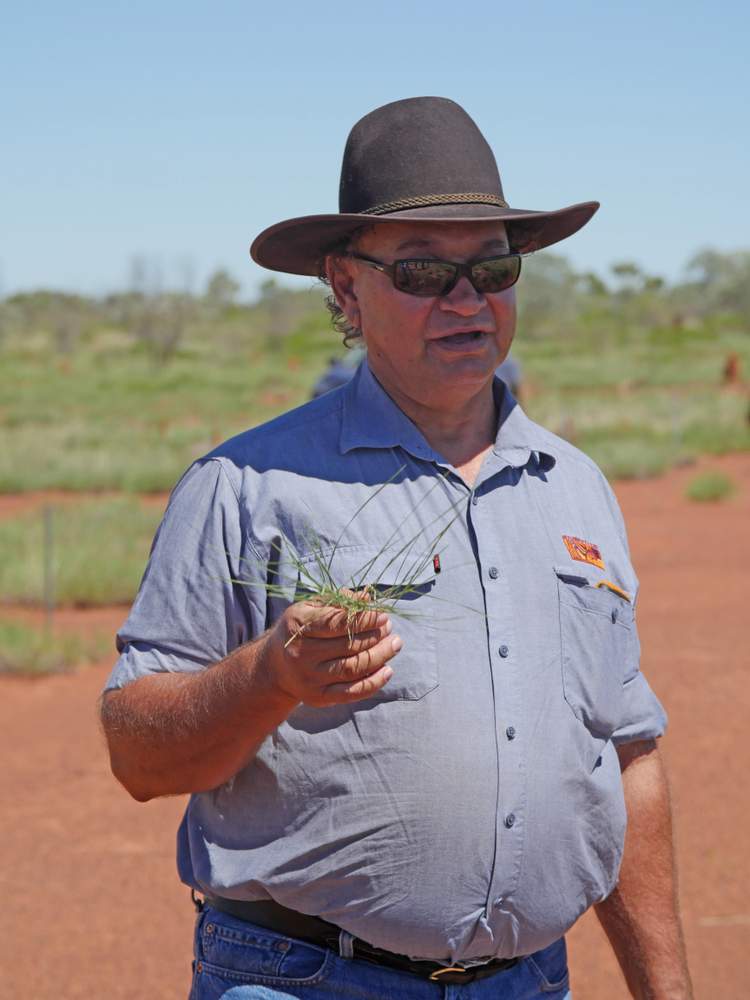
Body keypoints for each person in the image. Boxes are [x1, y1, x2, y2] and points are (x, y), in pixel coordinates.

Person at [100, 97, 693, 999]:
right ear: (344, 285)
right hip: (303, 979)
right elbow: (137, 756)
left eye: (492, 267)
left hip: (528, 982)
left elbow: (627, 759)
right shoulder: (244, 485)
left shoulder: (575, 488)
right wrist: (272, 677)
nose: (467, 300)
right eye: (421, 272)